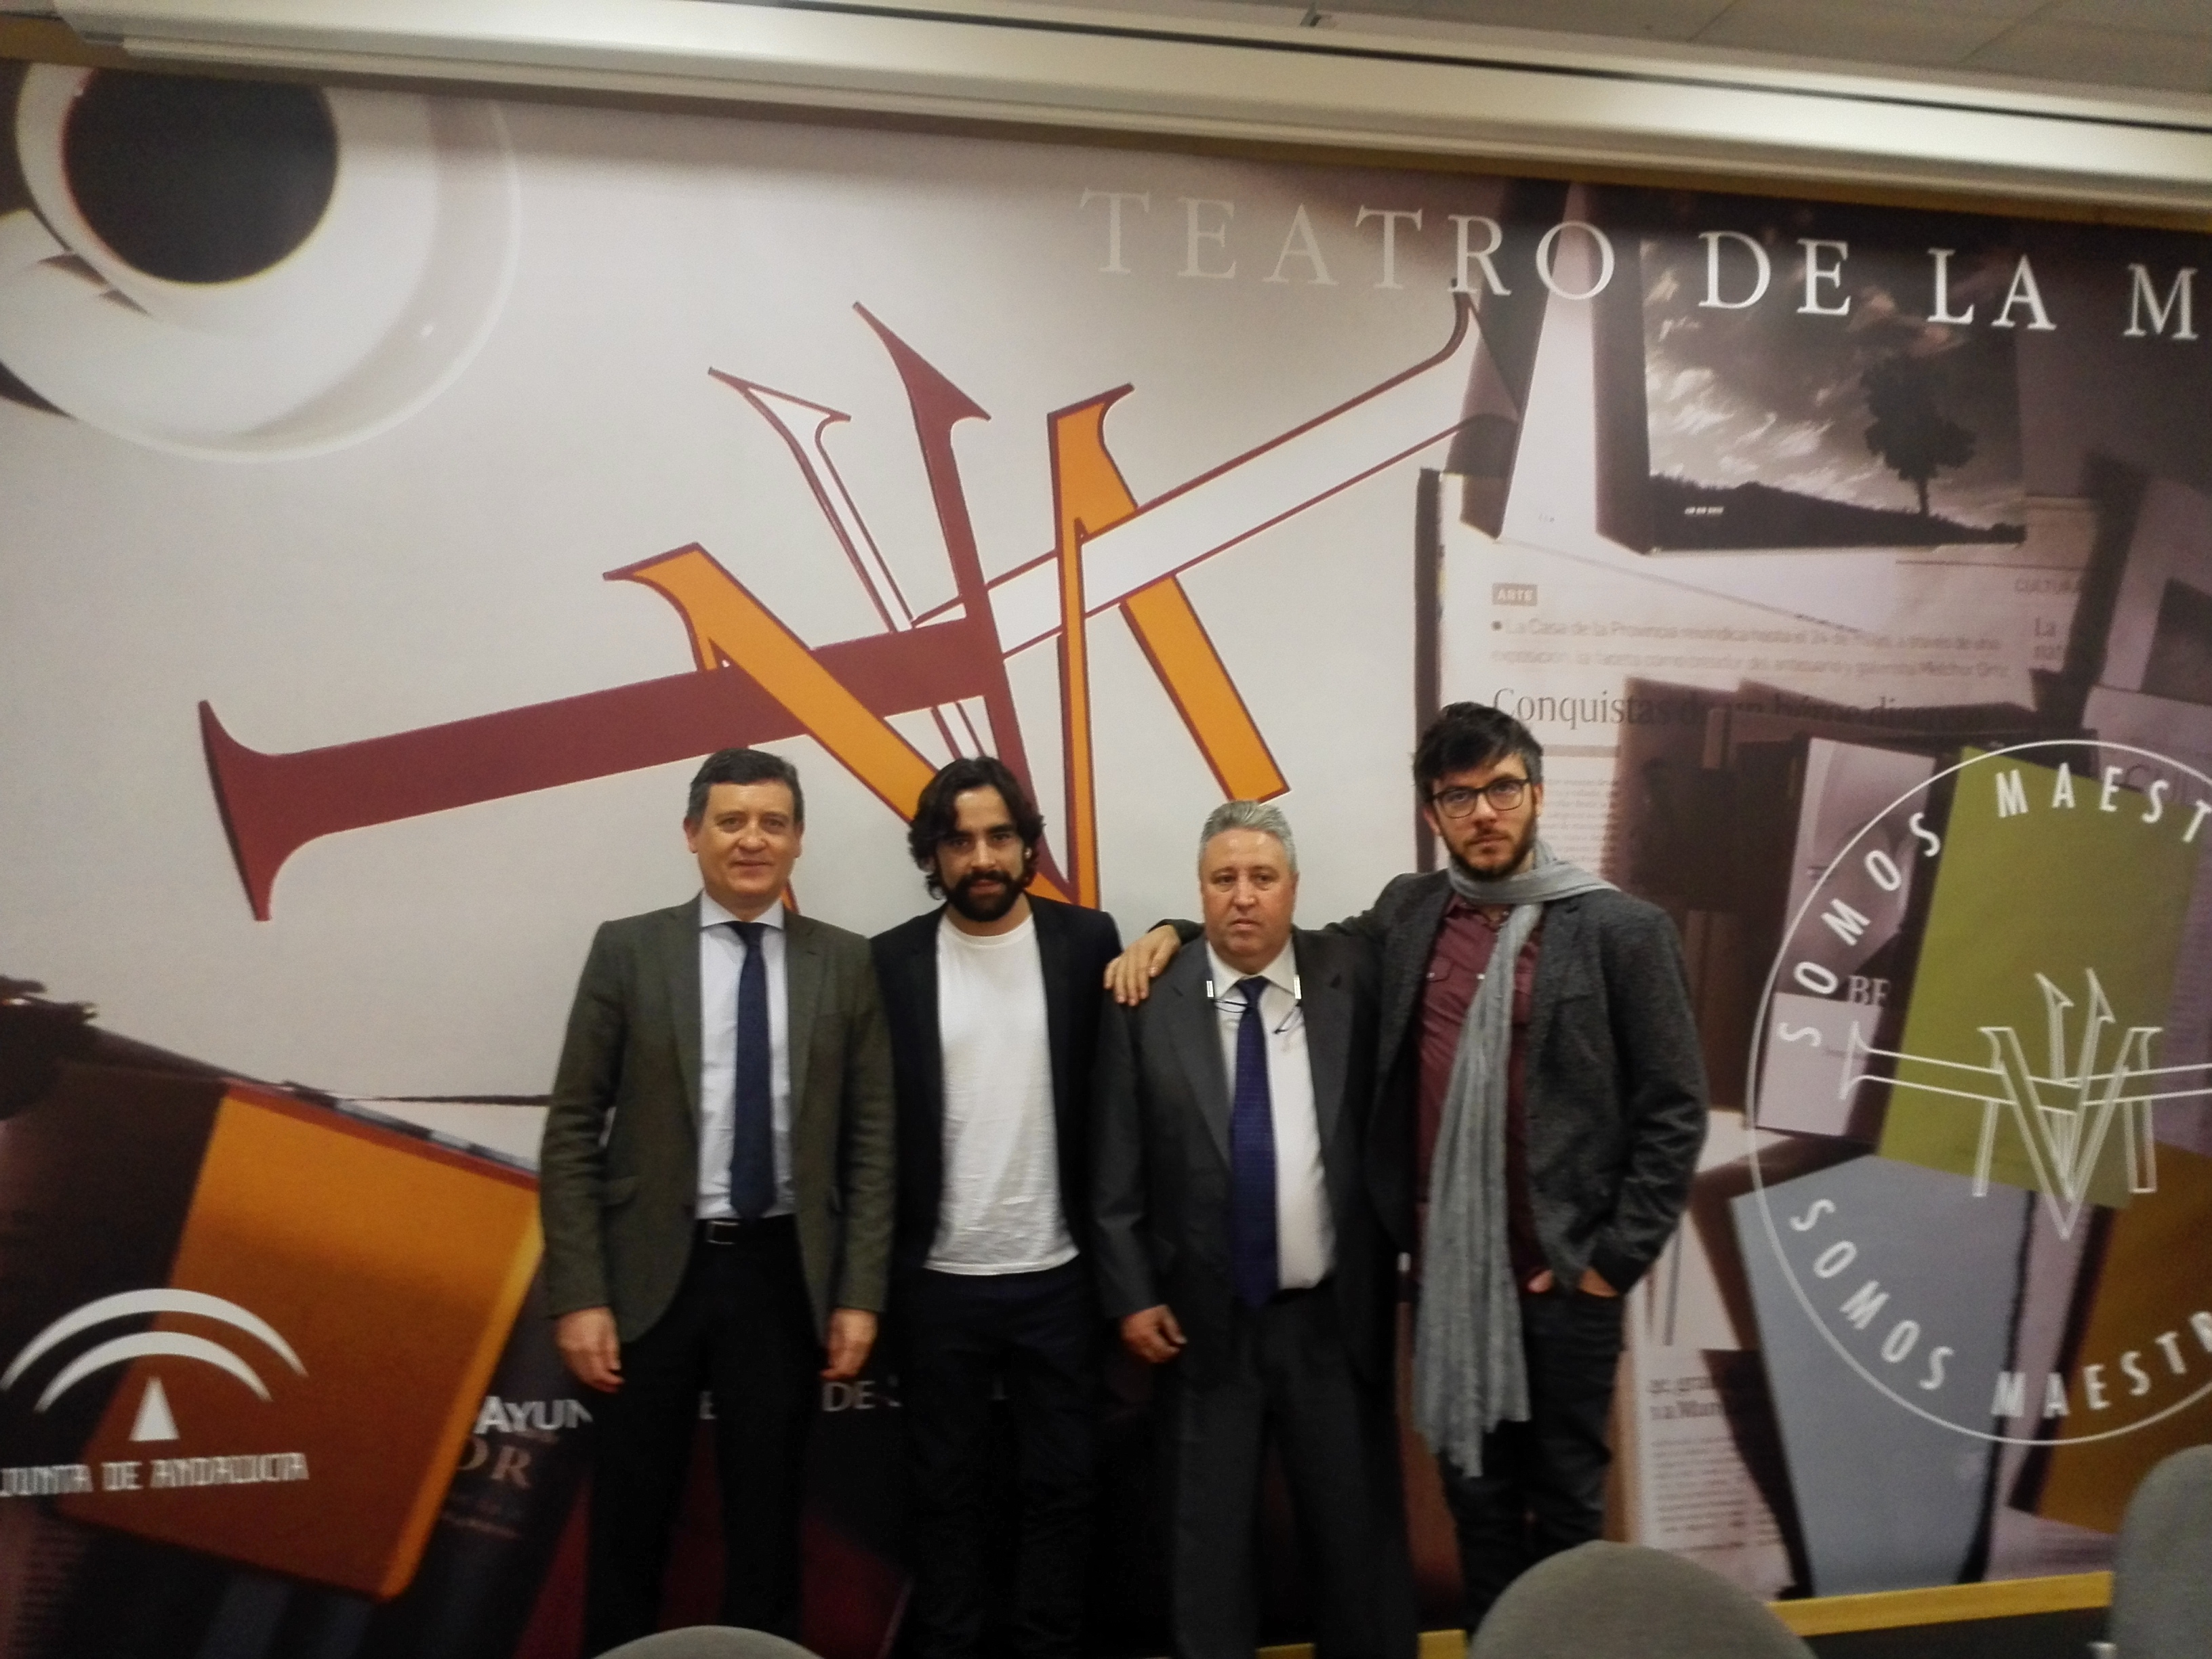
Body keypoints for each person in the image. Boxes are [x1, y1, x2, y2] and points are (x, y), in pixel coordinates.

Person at [1107, 705, 1706, 1633]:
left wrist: (1609, 1264)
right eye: (1458, 797)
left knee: (1566, 1514)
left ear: (1537, 794)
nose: (1484, 812)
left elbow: (1674, 1110)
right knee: (1478, 1513)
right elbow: (1275, 938)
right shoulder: (1411, 913)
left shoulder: (1620, 930)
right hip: (1450, 1282)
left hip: (1560, 1282)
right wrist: (1176, 933)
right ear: (1434, 814)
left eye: (1501, 788)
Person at [539, 747, 895, 1656]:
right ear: (692, 834)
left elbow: (871, 1142)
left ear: (799, 840)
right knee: (630, 1518)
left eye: (773, 822)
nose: (752, 840)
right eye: (731, 821)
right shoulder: (629, 949)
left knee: (768, 1522)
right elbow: (574, 1125)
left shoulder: (843, 962)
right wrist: (580, 1292)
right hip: (650, 1276)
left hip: (782, 1275)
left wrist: (859, 1294)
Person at [1092, 800, 1415, 1659]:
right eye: (1224, 879)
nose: (1243, 896)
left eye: (1262, 878)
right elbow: (1114, 1168)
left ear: (1294, 888)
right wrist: (1131, 1294)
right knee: (1204, 1560)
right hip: (1202, 1328)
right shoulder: (1144, 999)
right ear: (1198, 890)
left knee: (1356, 1553)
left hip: (1333, 1323)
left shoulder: (1356, 974)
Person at [871, 756, 1122, 1659]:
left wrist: (1175, 931)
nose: (981, 857)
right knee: (945, 1496)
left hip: (1060, 1278)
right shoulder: (889, 961)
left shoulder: (1088, 942)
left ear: (1027, 845)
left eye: (999, 836)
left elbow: (1194, 991)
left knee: (1064, 1490)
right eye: (959, 841)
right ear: (932, 856)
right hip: (938, 1282)